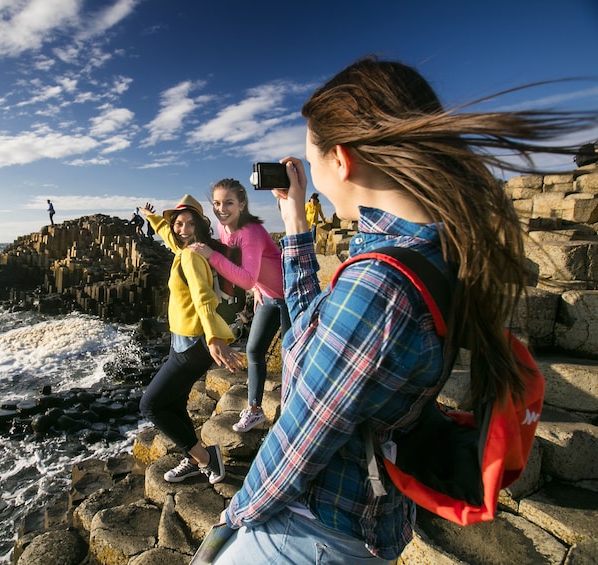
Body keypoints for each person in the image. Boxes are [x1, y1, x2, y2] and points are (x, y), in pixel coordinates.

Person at [212, 57, 595, 563]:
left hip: (308, 534)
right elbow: (312, 337)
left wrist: (233, 516)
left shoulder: (380, 285)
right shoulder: (432, 250)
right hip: (367, 524)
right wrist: (297, 226)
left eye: (314, 160)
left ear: (343, 160)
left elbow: (300, 437)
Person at [139, 195, 245, 485]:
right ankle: (194, 456)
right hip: (183, 343)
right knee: (174, 405)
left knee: (150, 406)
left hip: (192, 346)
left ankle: (207, 459)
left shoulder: (191, 255)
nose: (181, 229)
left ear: (199, 226)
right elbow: (169, 236)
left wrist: (213, 337)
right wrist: (152, 217)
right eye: (178, 224)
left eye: (188, 224)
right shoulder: (189, 248)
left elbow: (203, 297)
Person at [190, 178, 290, 433]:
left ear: (242, 204)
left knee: (293, 357)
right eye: (216, 203)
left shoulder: (251, 232)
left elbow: (245, 277)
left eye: (228, 203)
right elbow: (249, 272)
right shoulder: (225, 229)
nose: (221, 209)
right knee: (255, 351)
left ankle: (295, 410)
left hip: (290, 297)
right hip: (267, 297)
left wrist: (211, 257)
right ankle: (255, 410)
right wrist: (257, 288)